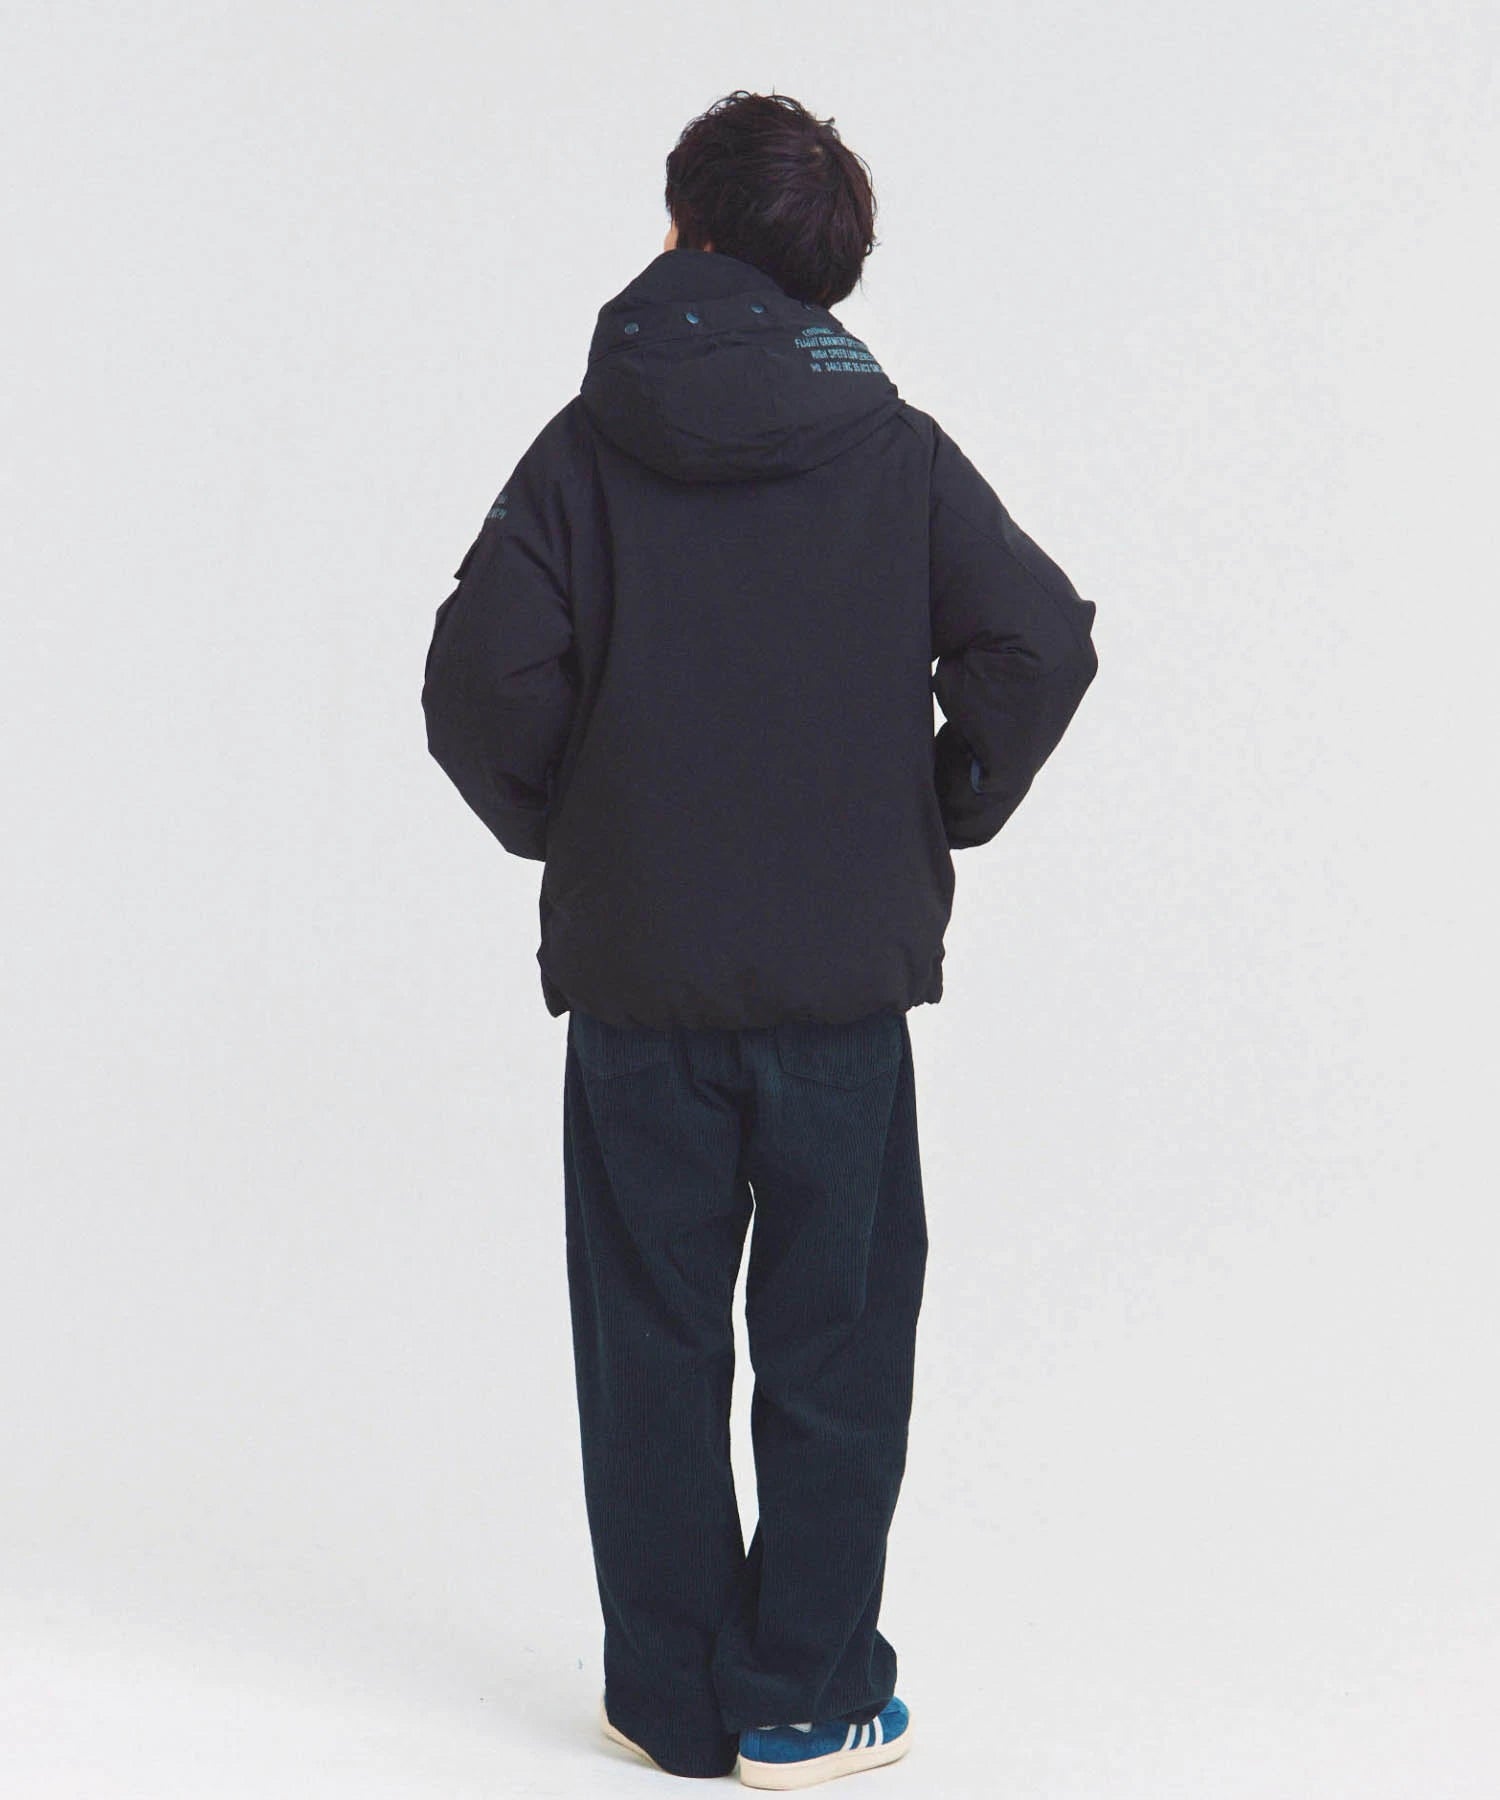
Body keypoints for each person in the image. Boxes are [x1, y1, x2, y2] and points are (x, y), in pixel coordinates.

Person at [421, 88, 1099, 1788]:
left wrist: (576, 826)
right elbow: (1037, 642)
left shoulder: (581, 451)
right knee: (837, 1348)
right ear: (824, 269)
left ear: (688, 229)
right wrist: (940, 804)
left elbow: (478, 684)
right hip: (839, 996)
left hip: (639, 987)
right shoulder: (896, 450)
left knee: (647, 1346)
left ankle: (668, 1698)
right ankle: (805, 1694)